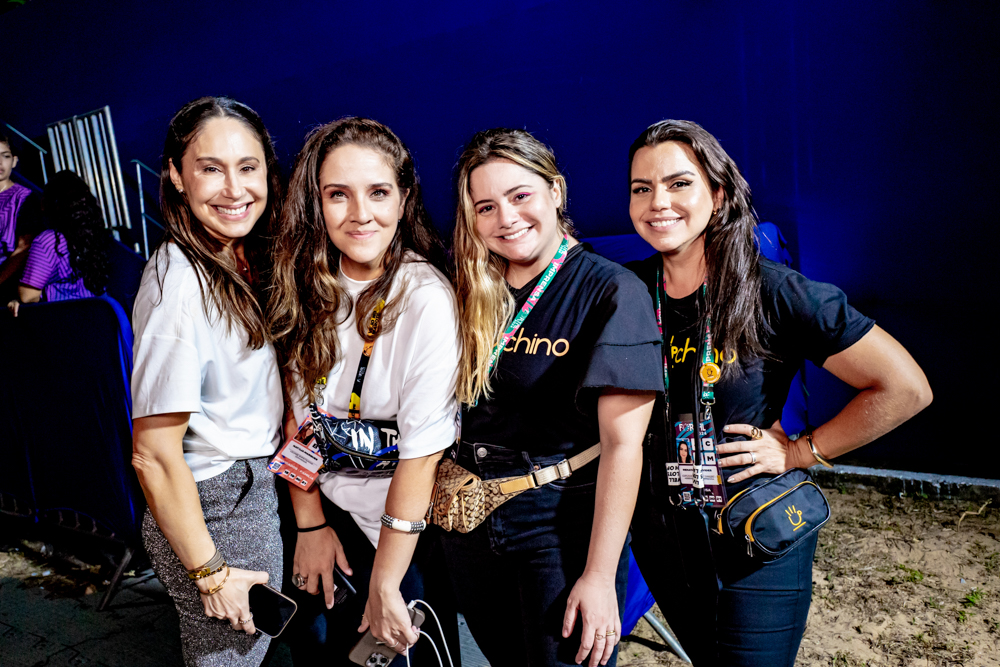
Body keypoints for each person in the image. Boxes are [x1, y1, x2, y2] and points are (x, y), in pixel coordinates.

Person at [625, 119, 933, 666]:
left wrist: (800, 451)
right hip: (664, 537)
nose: (658, 203)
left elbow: (904, 388)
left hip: (755, 532)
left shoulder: (774, 291)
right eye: (641, 188)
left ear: (717, 196)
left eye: (678, 184)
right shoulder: (625, 291)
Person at [441, 127, 662, 667]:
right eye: (485, 206)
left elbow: (624, 447)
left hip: (556, 527)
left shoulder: (609, 291)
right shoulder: (469, 290)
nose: (506, 218)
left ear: (556, 191)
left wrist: (600, 574)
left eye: (521, 196)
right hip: (468, 523)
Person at [267, 118, 459, 665]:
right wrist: (311, 523)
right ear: (316, 204)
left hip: (403, 537)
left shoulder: (424, 298)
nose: (359, 214)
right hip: (326, 514)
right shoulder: (308, 286)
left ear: (403, 200)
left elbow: (420, 459)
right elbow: (298, 424)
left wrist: (387, 581)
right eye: (337, 195)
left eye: (378, 192)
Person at [130, 97, 284, 666]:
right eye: (210, 168)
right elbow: (152, 454)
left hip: (249, 487)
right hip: (217, 503)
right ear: (175, 174)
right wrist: (211, 572)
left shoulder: (237, 258)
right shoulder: (177, 281)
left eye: (247, 167)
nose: (234, 188)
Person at [6, 170, 110, 316]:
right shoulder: (92, 235)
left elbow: (27, 295)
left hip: (64, 321)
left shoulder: (49, 241)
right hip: (95, 317)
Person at [0, 133, 41, 300]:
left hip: (6, 287)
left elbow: (24, 247)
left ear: (14, 161)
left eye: (5, 156)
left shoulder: (25, 198)